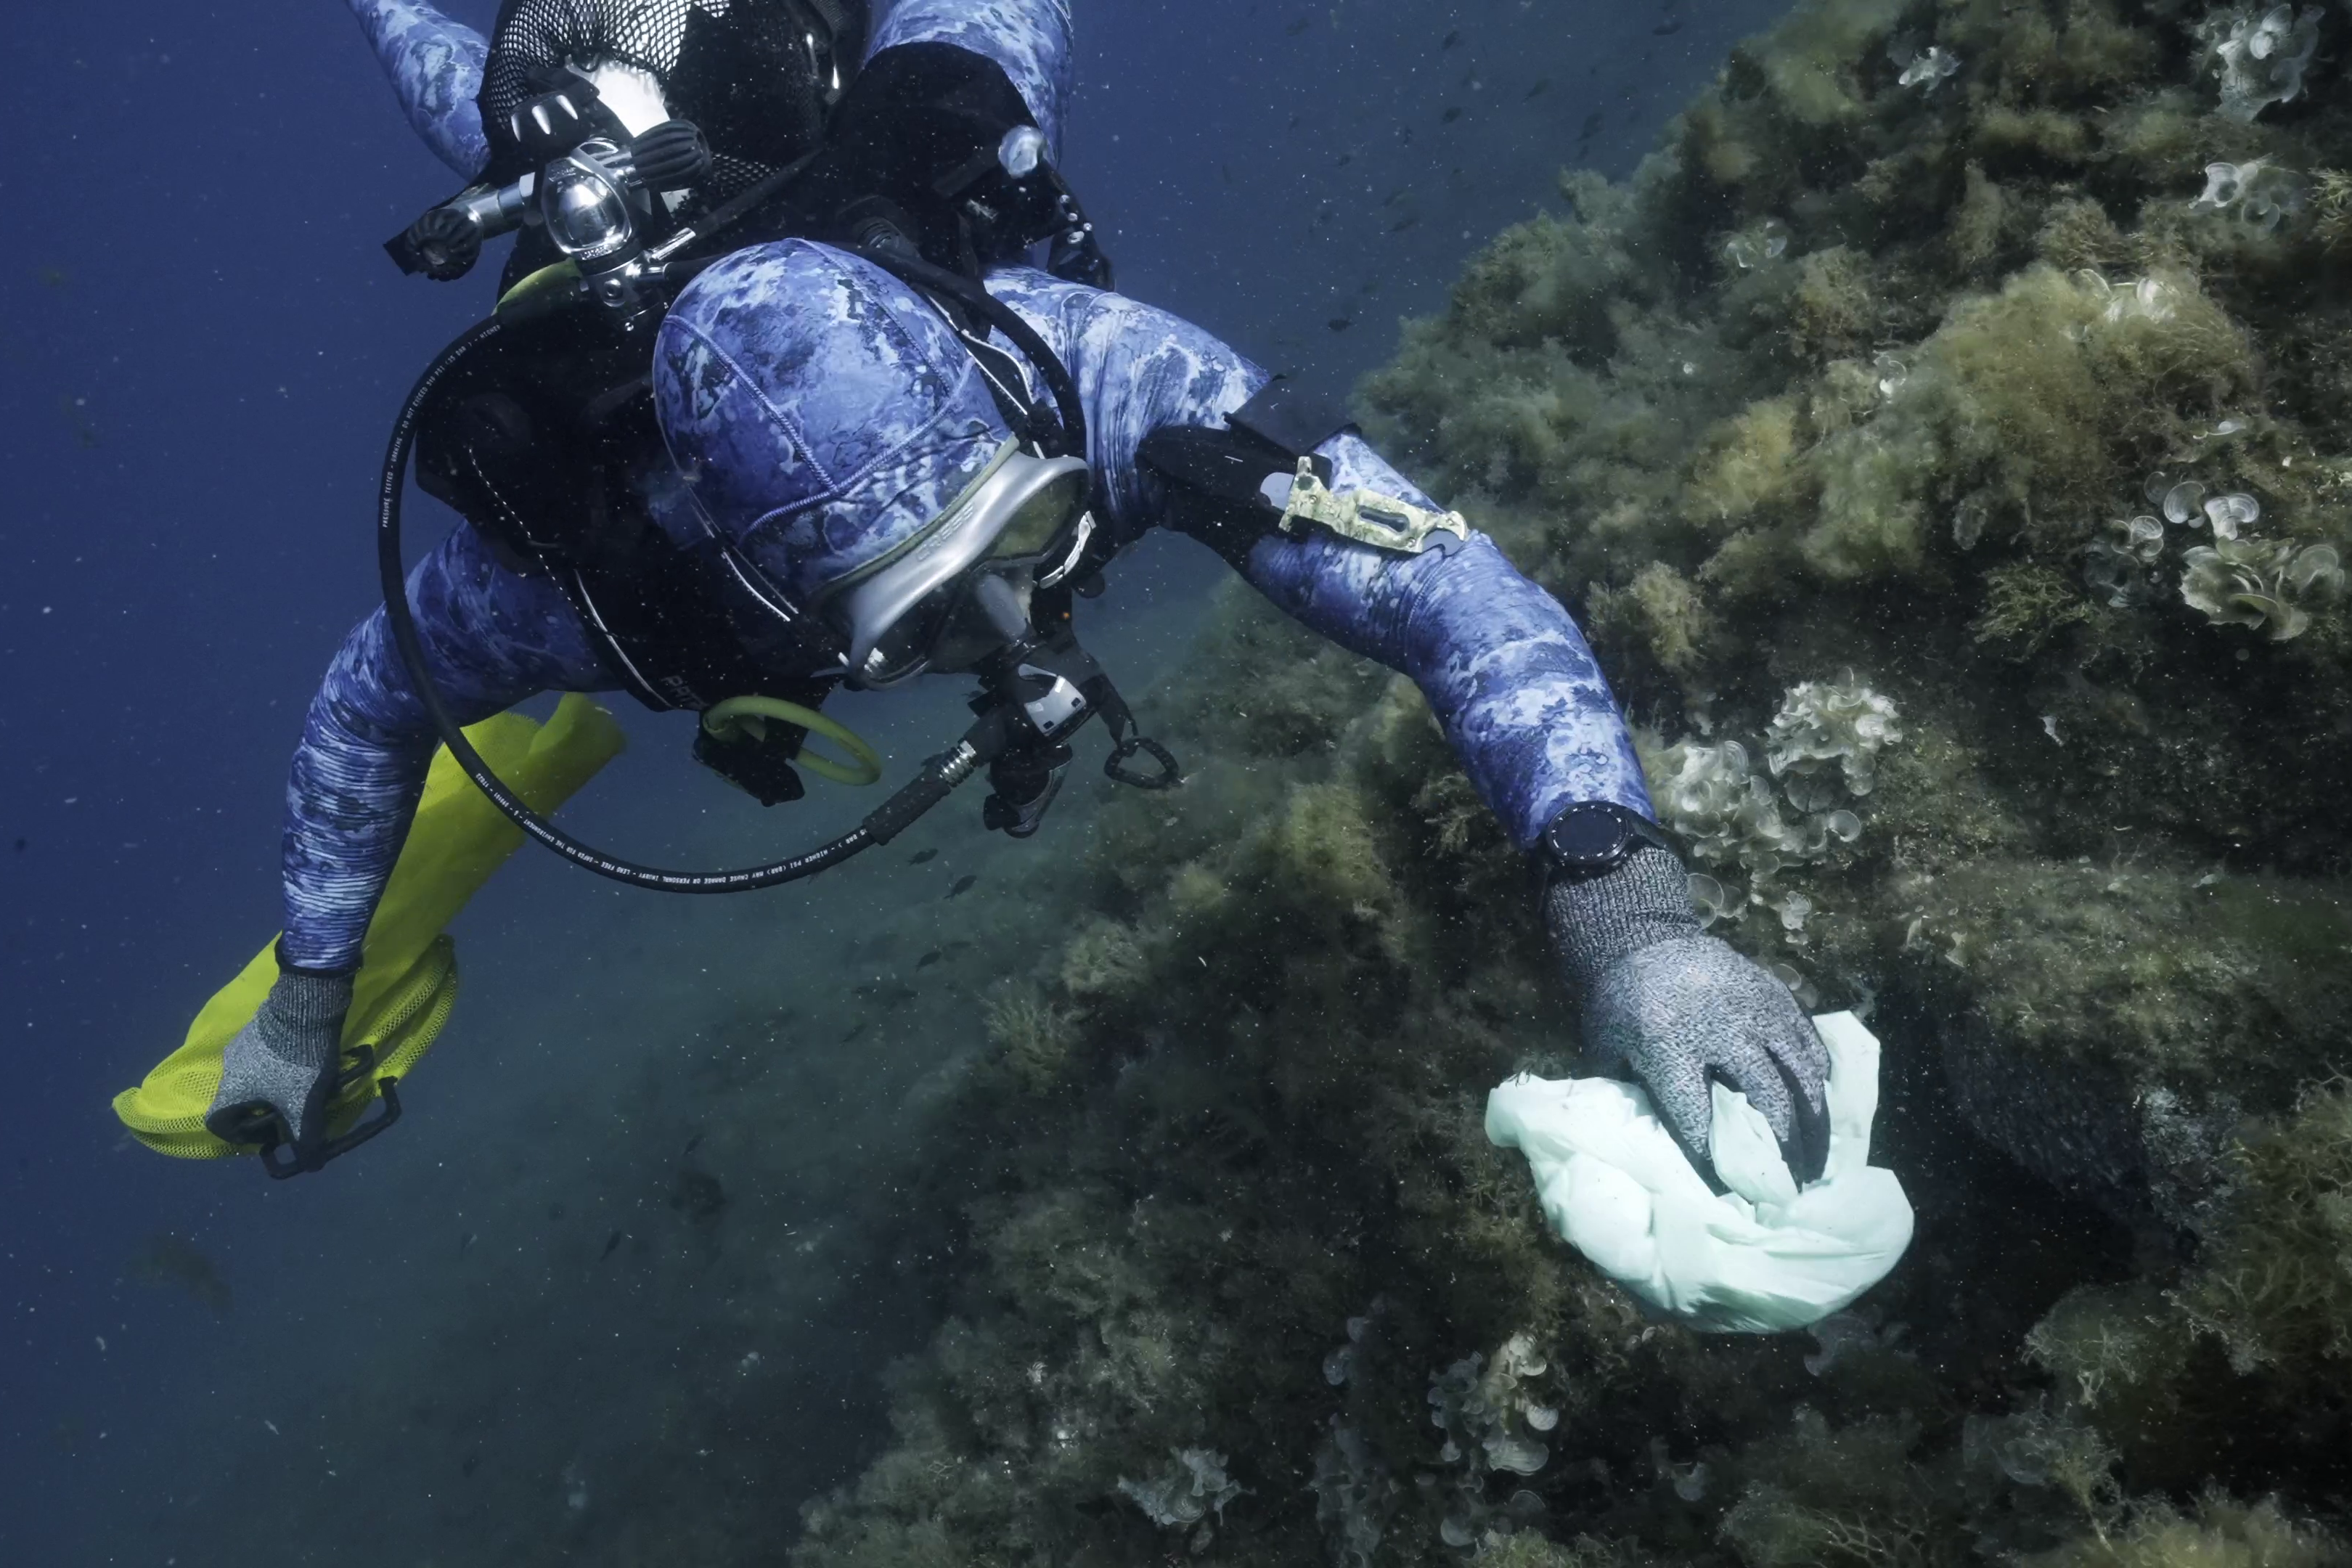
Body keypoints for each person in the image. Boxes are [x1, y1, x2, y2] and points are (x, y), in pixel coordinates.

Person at [215, 0, 1828, 1185]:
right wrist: (304, 1004)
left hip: (836, 92)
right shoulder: (622, 575)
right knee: (487, 102)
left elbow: (1456, 592)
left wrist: (1638, 931)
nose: (1003, 626)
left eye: (1023, 542)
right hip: (602, 145)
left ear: (1015, 416)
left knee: (971, 49)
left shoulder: (1089, 368)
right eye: (912, 626)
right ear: (767, 578)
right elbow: (368, 714)